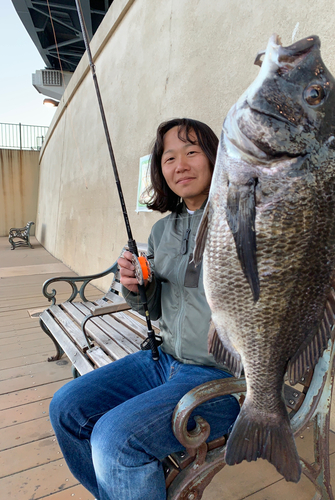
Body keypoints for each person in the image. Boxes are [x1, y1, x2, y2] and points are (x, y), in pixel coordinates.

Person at [49, 118, 240, 500]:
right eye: (169, 158)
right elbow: (153, 311)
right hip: (160, 360)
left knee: (115, 439)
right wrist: (138, 286)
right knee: (66, 408)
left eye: (192, 152)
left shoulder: (241, 219)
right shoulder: (160, 232)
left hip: (220, 379)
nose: (180, 165)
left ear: (216, 158)